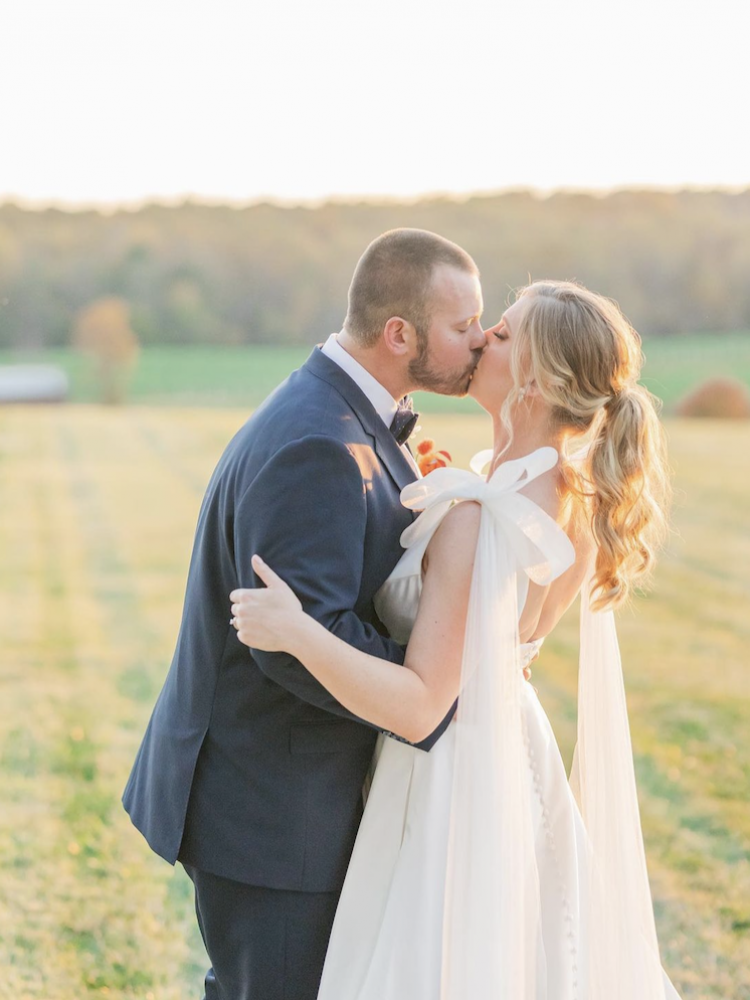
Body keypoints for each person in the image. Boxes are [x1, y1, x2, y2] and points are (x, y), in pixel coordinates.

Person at [230, 280, 685, 999]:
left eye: (501, 334)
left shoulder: (482, 515)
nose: (480, 340)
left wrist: (297, 631)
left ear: (535, 379)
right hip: (513, 752)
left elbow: (419, 706)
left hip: (450, 777)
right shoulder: (573, 497)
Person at [122, 228, 489, 1000]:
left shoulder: (341, 413)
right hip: (273, 813)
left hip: (285, 796)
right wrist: (431, 679)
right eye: (463, 326)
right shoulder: (317, 443)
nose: (480, 341)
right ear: (399, 335)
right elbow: (291, 642)